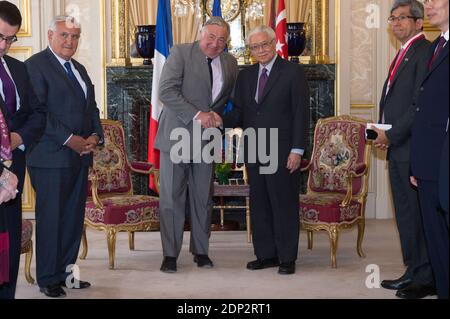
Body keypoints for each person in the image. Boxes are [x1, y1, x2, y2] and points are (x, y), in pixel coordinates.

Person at [25, 15, 103, 298]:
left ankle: (68, 276)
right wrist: (71, 140)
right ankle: (48, 278)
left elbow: (91, 108)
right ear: (50, 36)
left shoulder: (79, 69)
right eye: (64, 35)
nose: (70, 41)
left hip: (80, 157)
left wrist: (95, 136)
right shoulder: (35, 66)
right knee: (51, 219)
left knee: (72, 219)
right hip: (49, 157)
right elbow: (39, 114)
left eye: (75, 37)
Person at [154, 16, 238, 273]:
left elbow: (227, 100)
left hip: (207, 139)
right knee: (171, 197)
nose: (215, 43)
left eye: (222, 39)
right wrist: (198, 114)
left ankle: (201, 251)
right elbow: (166, 91)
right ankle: (170, 254)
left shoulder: (230, 62)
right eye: (211, 37)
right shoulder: (180, 53)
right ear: (201, 34)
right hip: (177, 135)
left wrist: (218, 118)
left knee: (203, 197)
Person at [226, 25, 309, 275]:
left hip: (283, 151)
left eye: (265, 45)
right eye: (254, 47)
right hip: (255, 149)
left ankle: (286, 258)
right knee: (260, 204)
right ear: (249, 50)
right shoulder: (246, 76)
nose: (260, 50)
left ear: (274, 44)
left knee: (283, 204)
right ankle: (266, 255)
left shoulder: (292, 72)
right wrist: (216, 118)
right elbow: (240, 112)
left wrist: (297, 150)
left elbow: (300, 114)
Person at [372, 0, 435, 299]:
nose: (396, 23)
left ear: (419, 22)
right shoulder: (404, 52)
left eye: (403, 18)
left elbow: (418, 106)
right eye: (392, 18)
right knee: (406, 216)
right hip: (398, 146)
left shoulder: (425, 51)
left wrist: (392, 134)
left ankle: (425, 277)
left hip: (411, 148)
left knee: (416, 215)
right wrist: (384, 131)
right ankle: (412, 270)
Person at [0, 0, 46, 299]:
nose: (4, 45)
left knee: (9, 242)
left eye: (10, 38)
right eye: (0, 36)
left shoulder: (17, 68)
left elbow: (37, 113)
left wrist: (17, 137)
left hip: (13, 172)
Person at [410, 0, 449, 299]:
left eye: (435, 0)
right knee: (435, 235)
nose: (428, 5)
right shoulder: (437, 46)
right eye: (426, 1)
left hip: (444, 161)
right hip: (428, 161)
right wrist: (417, 164)